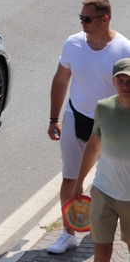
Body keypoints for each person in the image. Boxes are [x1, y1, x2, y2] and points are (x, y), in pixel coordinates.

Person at [46, 0, 130, 254]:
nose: (82, 22)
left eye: (87, 18)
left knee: (110, 179)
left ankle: (105, 225)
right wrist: (53, 118)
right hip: (76, 116)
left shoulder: (124, 50)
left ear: (104, 19)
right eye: (80, 17)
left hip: (110, 123)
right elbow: (61, 81)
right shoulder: (73, 44)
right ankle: (68, 233)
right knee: (70, 177)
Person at [71, 58, 130, 262]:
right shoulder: (103, 108)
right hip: (104, 192)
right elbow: (93, 145)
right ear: (113, 82)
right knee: (101, 253)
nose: (125, 85)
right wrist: (79, 182)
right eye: (120, 80)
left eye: (129, 80)